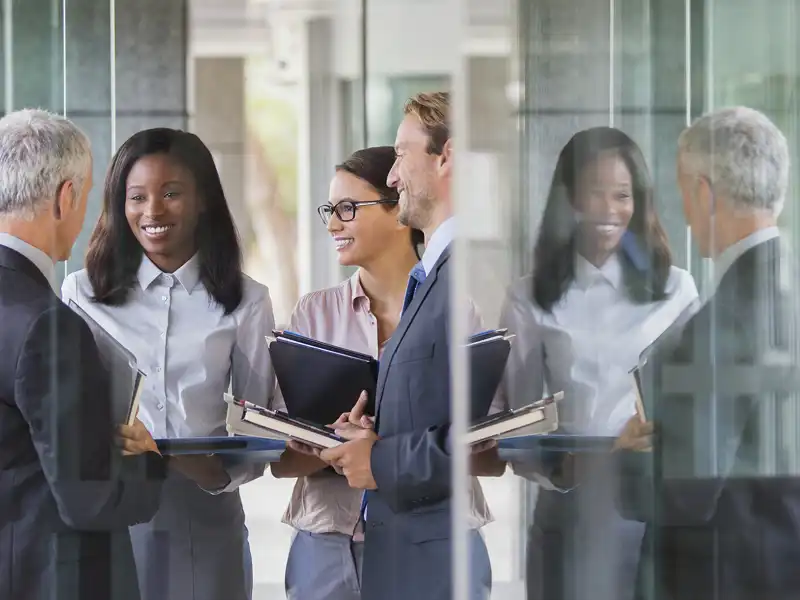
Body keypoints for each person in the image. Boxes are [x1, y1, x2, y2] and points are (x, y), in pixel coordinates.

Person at [271, 146, 500, 599]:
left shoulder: (457, 312)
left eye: (348, 209)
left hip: (439, 543)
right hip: (329, 548)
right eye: (330, 211)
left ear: (399, 210)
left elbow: (491, 456)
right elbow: (281, 460)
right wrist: (334, 446)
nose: (333, 223)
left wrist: (390, 453)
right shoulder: (313, 316)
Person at [61, 128, 275, 600]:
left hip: (203, 511)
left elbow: (263, 430)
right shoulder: (82, 294)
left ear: (202, 201)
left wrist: (199, 466)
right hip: (110, 508)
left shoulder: (247, 302)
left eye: (171, 193)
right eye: (137, 197)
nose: (152, 211)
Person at [499, 127, 699, 600]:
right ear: (568, 199)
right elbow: (518, 428)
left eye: (623, 195)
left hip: (655, 516)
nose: (610, 211)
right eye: (594, 193)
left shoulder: (677, 292)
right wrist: (585, 464)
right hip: (568, 516)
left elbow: (697, 417)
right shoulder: (529, 298)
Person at [616, 106, 800, 600]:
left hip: (722, 577)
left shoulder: (725, 320)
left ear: (703, 191)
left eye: (683, 191)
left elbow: (684, 492)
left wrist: (625, 459)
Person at [0, 109, 167, 600]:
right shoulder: (45, 323)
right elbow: (89, 499)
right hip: (48, 578)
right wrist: (147, 462)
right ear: (65, 196)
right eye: (88, 195)